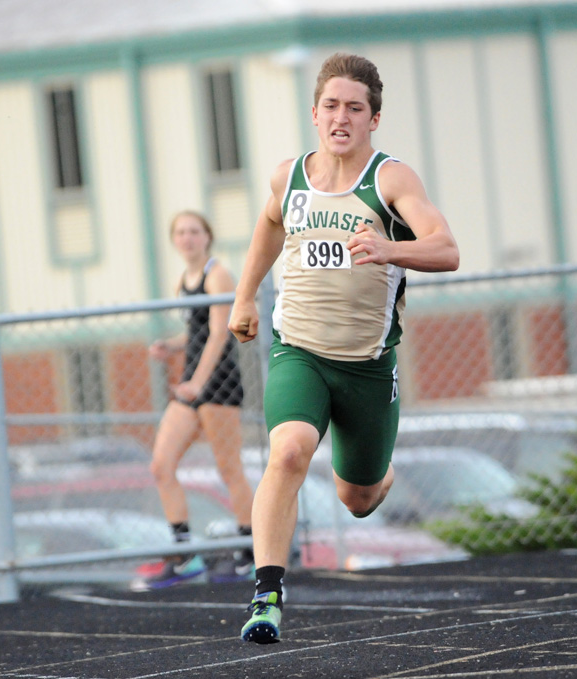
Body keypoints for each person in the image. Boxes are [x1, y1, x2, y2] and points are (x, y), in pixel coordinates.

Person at [228, 53, 459, 643]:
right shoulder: (290, 176)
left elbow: (446, 249)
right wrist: (245, 297)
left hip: (366, 366)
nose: (341, 117)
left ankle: (375, 476)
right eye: (331, 105)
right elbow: (269, 226)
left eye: (355, 108)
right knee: (288, 453)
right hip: (297, 350)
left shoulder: (390, 180)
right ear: (314, 112)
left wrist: (390, 250)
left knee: (357, 497)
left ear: (373, 119)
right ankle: (267, 595)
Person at [131, 210, 255, 591]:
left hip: (217, 383)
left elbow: (220, 334)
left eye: (194, 231)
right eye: (180, 232)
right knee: (160, 466)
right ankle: (184, 554)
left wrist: (198, 384)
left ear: (207, 236)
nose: (187, 238)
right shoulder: (183, 280)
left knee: (228, 468)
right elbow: (197, 333)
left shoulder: (217, 274)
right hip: (191, 383)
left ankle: (250, 552)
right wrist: (171, 345)